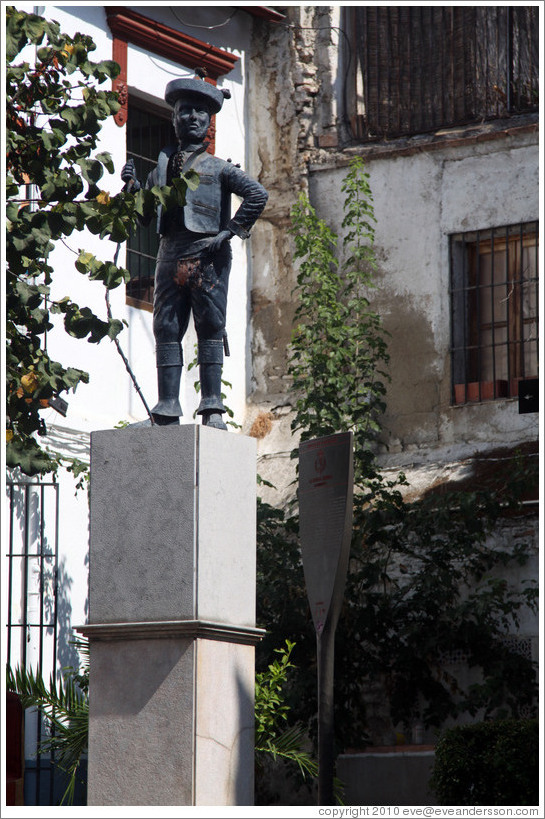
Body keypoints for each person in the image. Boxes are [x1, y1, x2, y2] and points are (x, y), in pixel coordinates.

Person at [121, 76, 268, 429]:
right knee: (166, 327)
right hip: (169, 252)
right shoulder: (161, 169)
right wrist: (133, 188)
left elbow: (257, 195)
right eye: (185, 111)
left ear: (209, 122)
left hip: (206, 255)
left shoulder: (218, 169)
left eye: (200, 113)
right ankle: (168, 405)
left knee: (210, 326)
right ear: (174, 119)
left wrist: (231, 231)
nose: (192, 118)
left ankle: (212, 408)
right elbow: (144, 217)